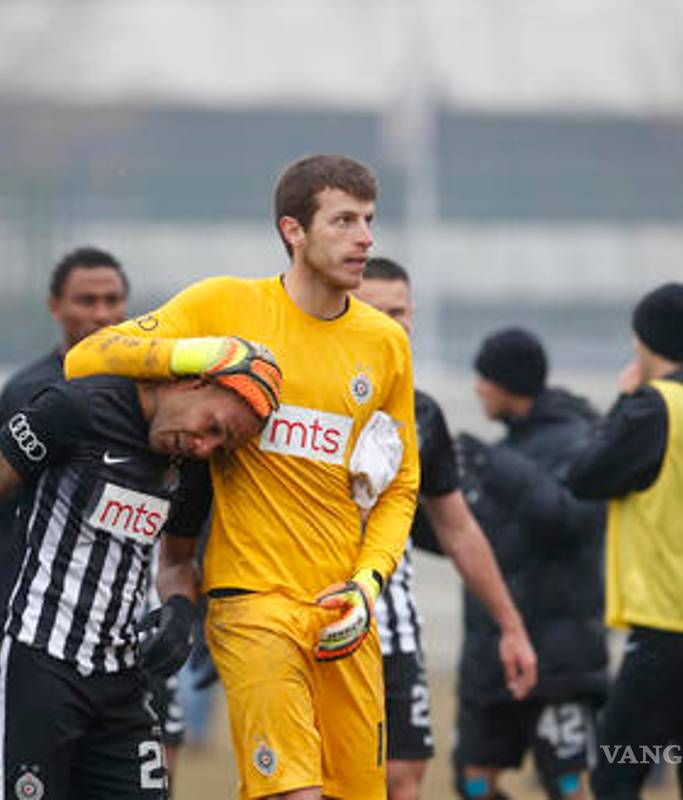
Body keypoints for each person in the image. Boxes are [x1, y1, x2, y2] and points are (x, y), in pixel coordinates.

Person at [66, 154, 422, 799]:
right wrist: (198, 353)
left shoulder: (385, 345)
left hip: (345, 610)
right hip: (250, 602)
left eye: (369, 220)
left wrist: (369, 583)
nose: (365, 237)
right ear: (294, 230)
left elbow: (400, 485)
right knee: (294, 793)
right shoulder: (225, 304)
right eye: (344, 221)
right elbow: (87, 356)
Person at [0, 341, 282, 798]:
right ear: (196, 381)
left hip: (123, 675)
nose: (206, 446)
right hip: (37, 662)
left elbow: (176, 561)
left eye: (223, 443)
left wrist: (181, 611)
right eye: (212, 426)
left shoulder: (193, 463)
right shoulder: (75, 407)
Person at [564, 282, 683, 800]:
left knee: (614, 773)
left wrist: (626, 397)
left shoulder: (655, 407)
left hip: (666, 628)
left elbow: (584, 475)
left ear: (644, 340)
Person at [352, 258, 538, 800]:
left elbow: (457, 529)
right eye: (376, 311)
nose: (392, 324)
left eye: (400, 311)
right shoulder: (298, 399)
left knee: (402, 781)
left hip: (393, 633)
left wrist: (511, 625)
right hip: (310, 627)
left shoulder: (422, 414)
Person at [451, 327, 607, 800]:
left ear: (508, 382)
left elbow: (571, 519)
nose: (477, 387)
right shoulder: (502, 451)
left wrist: (495, 468)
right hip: (492, 658)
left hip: (559, 662)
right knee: (473, 781)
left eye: (485, 377)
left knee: (565, 784)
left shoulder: (581, 441)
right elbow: (470, 537)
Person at [0, 247, 130, 643]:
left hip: (124, 605)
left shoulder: (146, 390)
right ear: (55, 305)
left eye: (112, 300)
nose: (101, 313)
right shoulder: (26, 392)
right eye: (86, 300)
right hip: (39, 609)